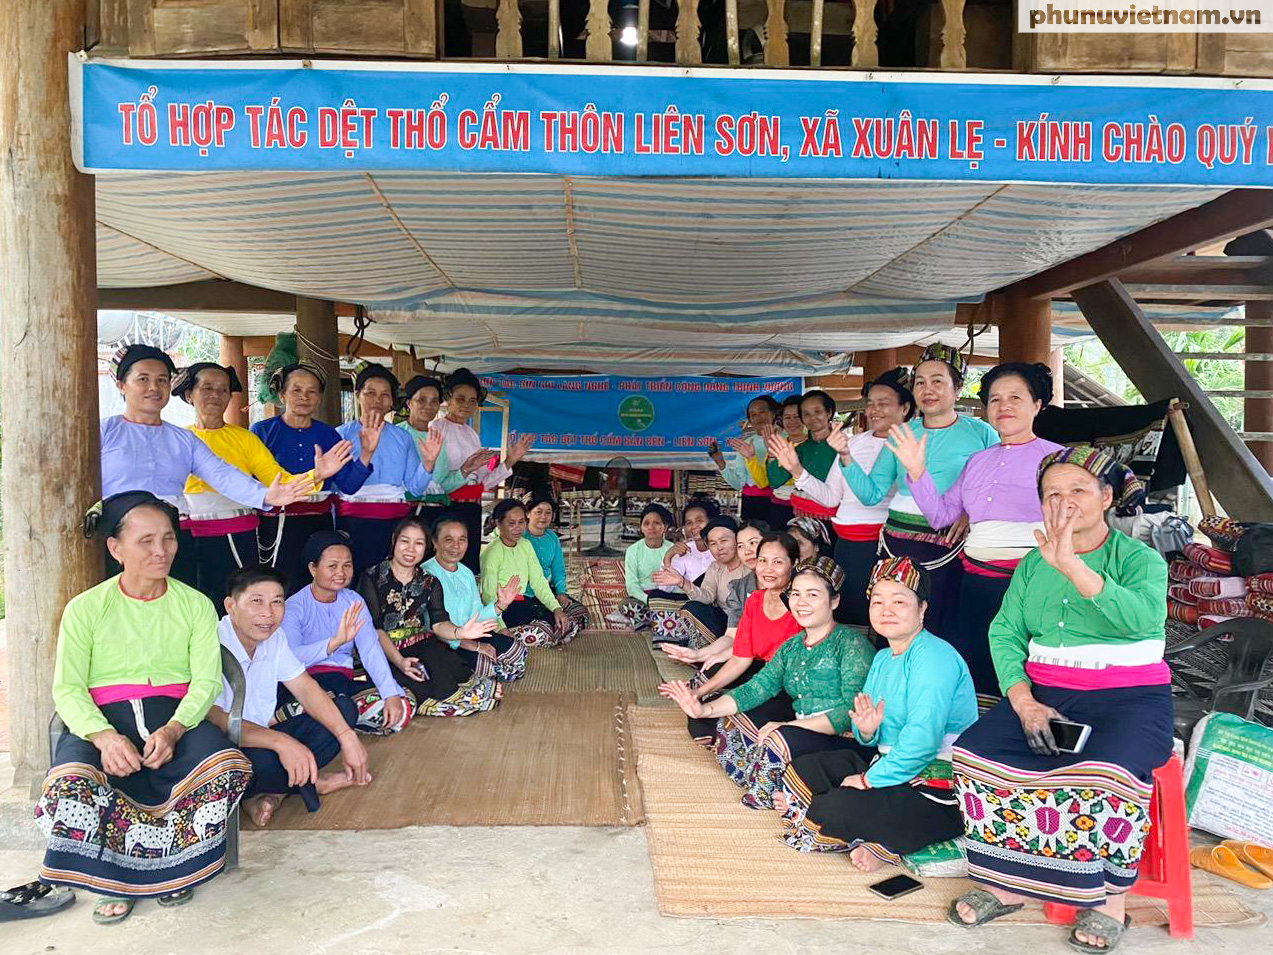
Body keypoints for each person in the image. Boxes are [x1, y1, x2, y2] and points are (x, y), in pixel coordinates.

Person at [948, 447, 1170, 954]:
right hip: (1045, 693)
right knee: (975, 753)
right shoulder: (1032, 563)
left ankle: (1108, 900)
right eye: (1052, 494)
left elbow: (1141, 620)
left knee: (1106, 771)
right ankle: (1005, 884)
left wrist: (1071, 565)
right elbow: (1006, 631)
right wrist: (1022, 700)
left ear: (1106, 497)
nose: (1064, 503)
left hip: (1129, 699)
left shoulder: (1140, 560)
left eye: (1078, 491)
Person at [35, 492, 251, 924]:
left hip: (175, 716)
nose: (161, 550)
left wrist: (175, 728)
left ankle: (178, 871)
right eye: (146, 541)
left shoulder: (195, 604)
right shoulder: (85, 609)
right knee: (71, 783)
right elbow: (69, 689)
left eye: (168, 538)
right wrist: (103, 737)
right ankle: (111, 881)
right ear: (116, 549)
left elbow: (206, 681)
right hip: (103, 720)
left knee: (225, 767)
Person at [777, 557, 978, 872]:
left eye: (899, 602)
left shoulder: (934, 657)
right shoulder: (884, 657)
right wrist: (867, 730)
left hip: (934, 788)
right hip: (889, 769)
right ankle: (875, 835)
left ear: (922, 608)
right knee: (805, 770)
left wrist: (868, 780)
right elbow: (868, 734)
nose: (887, 610)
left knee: (837, 806)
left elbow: (923, 741)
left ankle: (885, 839)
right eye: (878, 602)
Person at [885, 362, 1065, 694]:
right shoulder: (977, 461)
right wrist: (917, 471)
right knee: (976, 666)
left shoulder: (1058, 459)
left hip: (1030, 585)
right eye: (995, 399)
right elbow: (941, 517)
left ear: (1037, 405)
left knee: (1024, 672)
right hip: (974, 582)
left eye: (1015, 397)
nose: (1003, 406)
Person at [664, 558, 875, 809]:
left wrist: (789, 726)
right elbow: (758, 687)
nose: (801, 602)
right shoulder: (792, 646)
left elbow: (848, 713)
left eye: (812, 594)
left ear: (834, 601)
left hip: (842, 740)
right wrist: (704, 709)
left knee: (777, 738)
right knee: (730, 722)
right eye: (795, 594)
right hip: (801, 730)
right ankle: (782, 782)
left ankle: (777, 790)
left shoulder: (852, 645)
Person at [100, 344, 315, 587]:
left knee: (179, 601)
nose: (154, 387)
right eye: (143, 379)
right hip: (121, 538)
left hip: (172, 537)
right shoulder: (102, 432)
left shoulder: (183, 439)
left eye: (162, 380)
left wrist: (265, 495)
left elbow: (222, 474)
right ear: (121, 385)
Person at [842, 344, 999, 640]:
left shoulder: (982, 434)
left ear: (958, 388)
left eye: (937, 381)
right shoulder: (901, 433)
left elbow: (995, 488)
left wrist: (969, 512)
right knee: (894, 623)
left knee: (945, 625)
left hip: (951, 544)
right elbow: (871, 495)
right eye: (920, 382)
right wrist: (846, 459)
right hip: (897, 544)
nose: (928, 389)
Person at [174, 362, 353, 606]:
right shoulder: (176, 438)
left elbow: (279, 480)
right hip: (187, 534)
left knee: (240, 600)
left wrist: (317, 475)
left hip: (238, 535)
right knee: (187, 600)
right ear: (189, 394)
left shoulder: (245, 439)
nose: (216, 395)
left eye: (223, 389)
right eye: (207, 388)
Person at [209, 566, 371, 827]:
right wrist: (282, 742)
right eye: (256, 601)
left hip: (264, 736)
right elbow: (215, 718)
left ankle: (274, 792)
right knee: (257, 763)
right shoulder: (211, 642)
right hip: (226, 748)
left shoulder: (275, 638)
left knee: (344, 710)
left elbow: (306, 688)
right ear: (231, 605)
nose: (268, 613)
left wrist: (347, 737)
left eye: (277, 602)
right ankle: (309, 783)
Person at [772, 368, 914, 625]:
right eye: (870, 403)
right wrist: (797, 470)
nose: (874, 410)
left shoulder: (911, 444)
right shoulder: (854, 442)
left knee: (878, 611)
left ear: (904, 408)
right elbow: (830, 497)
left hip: (881, 543)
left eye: (883, 403)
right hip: (845, 542)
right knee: (844, 608)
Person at [252, 362, 380, 594]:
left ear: (320, 398)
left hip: (318, 523)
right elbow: (252, 485)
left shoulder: (328, 434)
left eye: (312, 391)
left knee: (320, 588)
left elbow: (349, 485)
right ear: (282, 395)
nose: (304, 397)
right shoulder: (261, 431)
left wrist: (367, 453)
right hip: (276, 524)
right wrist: (317, 475)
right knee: (278, 586)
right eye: (296, 390)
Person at [662, 534, 803, 745]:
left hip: (792, 687)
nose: (768, 569)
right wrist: (697, 693)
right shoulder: (755, 600)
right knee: (703, 710)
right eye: (763, 561)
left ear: (794, 563)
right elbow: (740, 658)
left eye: (778, 562)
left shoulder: (801, 606)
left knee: (731, 725)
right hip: (762, 678)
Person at [357, 517, 501, 717]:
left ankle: (456, 696)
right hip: (384, 650)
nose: (411, 549)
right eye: (405, 541)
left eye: (418, 543)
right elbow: (375, 628)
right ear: (394, 540)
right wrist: (399, 661)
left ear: (426, 547)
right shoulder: (372, 576)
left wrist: (460, 632)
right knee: (437, 688)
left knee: (453, 675)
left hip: (421, 644)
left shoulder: (429, 581)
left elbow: (439, 622)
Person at [281, 530, 411, 734]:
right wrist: (334, 642)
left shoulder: (354, 601)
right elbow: (291, 658)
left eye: (347, 565)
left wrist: (390, 694)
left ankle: (336, 717)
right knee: (339, 705)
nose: (341, 573)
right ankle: (337, 715)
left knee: (403, 702)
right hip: (306, 683)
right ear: (313, 568)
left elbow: (370, 649)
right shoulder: (294, 606)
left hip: (343, 681)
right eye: (332, 566)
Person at [336, 363, 441, 575]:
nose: (377, 399)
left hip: (394, 523)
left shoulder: (403, 437)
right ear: (358, 395)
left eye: (385, 394)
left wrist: (428, 463)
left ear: (392, 401)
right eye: (370, 393)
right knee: (353, 578)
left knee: (390, 579)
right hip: (353, 522)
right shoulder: (341, 434)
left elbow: (415, 488)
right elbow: (339, 486)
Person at [430, 367, 535, 572]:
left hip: (471, 508)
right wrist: (464, 471)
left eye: (472, 400)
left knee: (468, 565)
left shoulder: (472, 435)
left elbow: (483, 481)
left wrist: (511, 460)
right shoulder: (436, 429)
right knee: (445, 564)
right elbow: (434, 479)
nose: (467, 405)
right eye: (461, 399)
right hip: (446, 508)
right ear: (448, 398)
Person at [423, 513, 530, 682]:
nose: (456, 546)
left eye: (462, 540)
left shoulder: (466, 573)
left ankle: (491, 672)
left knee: (518, 650)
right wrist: (476, 646)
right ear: (435, 542)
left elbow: (477, 615)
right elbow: (432, 627)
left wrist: (500, 605)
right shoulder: (426, 574)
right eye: (449, 539)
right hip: (444, 643)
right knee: (488, 664)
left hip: (471, 635)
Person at [480, 499, 578, 647]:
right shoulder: (491, 553)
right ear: (498, 524)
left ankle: (531, 635)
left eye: (521, 522)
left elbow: (538, 581)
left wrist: (556, 608)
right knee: (545, 629)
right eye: (511, 523)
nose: (517, 528)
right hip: (504, 609)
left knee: (569, 617)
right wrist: (500, 627)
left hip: (525, 602)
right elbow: (488, 596)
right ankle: (507, 637)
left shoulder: (525, 545)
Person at [656, 516, 752, 648]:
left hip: (749, 625)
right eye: (713, 543)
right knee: (691, 608)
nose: (719, 547)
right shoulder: (715, 567)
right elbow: (707, 597)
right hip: (724, 623)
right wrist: (682, 582)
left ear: (737, 540)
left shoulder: (750, 566)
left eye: (724, 541)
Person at [647, 499, 720, 642]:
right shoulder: (686, 549)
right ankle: (683, 635)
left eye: (699, 521)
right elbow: (665, 588)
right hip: (692, 601)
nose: (694, 526)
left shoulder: (720, 547)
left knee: (694, 606)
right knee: (655, 596)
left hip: (717, 606)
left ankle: (690, 636)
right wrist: (669, 555)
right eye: (689, 522)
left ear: (711, 522)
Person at [708, 395, 782, 524]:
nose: (758, 417)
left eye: (762, 412)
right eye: (753, 415)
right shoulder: (747, 443)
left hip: (780, 502)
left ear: (774, 413)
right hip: (751, 503)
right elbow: (738, 483)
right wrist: (720, 462)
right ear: (750, 420)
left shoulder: (786, 439)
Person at [525, 492, 591, 634]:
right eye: (538, 512)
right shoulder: (521, 538)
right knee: (549, 620)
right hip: (526, 593)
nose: (543, 517)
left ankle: (555, 627)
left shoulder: (552, 537)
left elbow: (558, 569)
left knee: (581, 613)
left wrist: (561, 592)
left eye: (548, 513)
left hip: (548, 591)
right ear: (528, 513)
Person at [397, 375, 453, 529]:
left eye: (434, 401)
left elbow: (442, 480)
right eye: (421, 400)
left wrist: (466, 470)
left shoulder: (437, 438)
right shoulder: (397, 434)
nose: (428, 406)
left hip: (435, 512)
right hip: (404, 511)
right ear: (409, 403)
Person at [612, 503, 676, 631]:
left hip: (666, 596)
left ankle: (650, 620)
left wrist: (663, 601)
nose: (651, 527)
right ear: (641, 528)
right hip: (643, 598)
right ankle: (661, 619)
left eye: (656, 523)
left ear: (665, 527)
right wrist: (649, 601)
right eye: (646, 523)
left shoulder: (672, 549)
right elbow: (632, 585)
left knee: (685, 604)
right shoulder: (633, 551)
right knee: (626, 605)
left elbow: (677, 581)